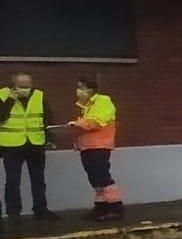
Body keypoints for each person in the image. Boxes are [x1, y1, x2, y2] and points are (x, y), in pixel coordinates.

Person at [0, 72, 57, 223]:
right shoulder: (3, 95)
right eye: (21, 86)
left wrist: (49, 139)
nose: (24, 89)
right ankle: (13, 214)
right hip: (11, 145)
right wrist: (10, 100)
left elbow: (47, 118)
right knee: (12, 181)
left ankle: (41, 209)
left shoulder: (38, 96)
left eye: (27, 86)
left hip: (35, 144)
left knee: (38, 179)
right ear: (13, 85)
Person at [67, 77, 122, 221]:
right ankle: (101, 206)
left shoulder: (103, 101)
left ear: (90, 89)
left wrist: (78, 124)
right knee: (95, 178)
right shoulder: (87, 106)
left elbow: (97, 122)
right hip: (88, 147)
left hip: (100, 145)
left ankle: (115, 206)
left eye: (82, 87)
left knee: (102, 176)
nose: (79, 91)